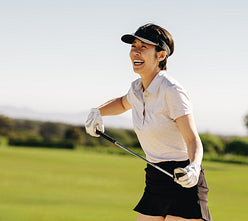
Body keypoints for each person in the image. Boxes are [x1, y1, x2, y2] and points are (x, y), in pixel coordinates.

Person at [85, 23, 212, 221]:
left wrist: (194, 167)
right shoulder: (136, 89)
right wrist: (98, 112)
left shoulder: (171, 90)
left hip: (183, 176)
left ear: (161, 55)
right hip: (155, 175)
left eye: (143, 47)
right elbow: (122, 102)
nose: (135, 51)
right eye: (133, 46)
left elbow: (191, 138)